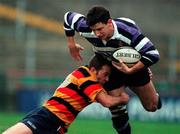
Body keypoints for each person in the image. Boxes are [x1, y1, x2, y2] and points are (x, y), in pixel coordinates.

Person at [63, 5, 162, 134]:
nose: (97, 34)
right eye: (94, 30)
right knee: (117, 110)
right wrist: (71, 44)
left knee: (152, 107)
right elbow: (68, 17)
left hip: (133, 66)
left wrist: (133, 69)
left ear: (109, 22)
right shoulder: (86, 28)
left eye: (100, 29)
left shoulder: (127, 32)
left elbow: (153, 54)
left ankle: (155, 97)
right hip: (111, 66)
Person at [2, 56, 129, 134]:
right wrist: (122, 99)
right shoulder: (86, 78)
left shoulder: (89, 79)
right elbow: (107, 101)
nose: (106, 79)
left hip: (55, 122)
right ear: (93, 70)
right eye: (105, 74)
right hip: (49, 117)